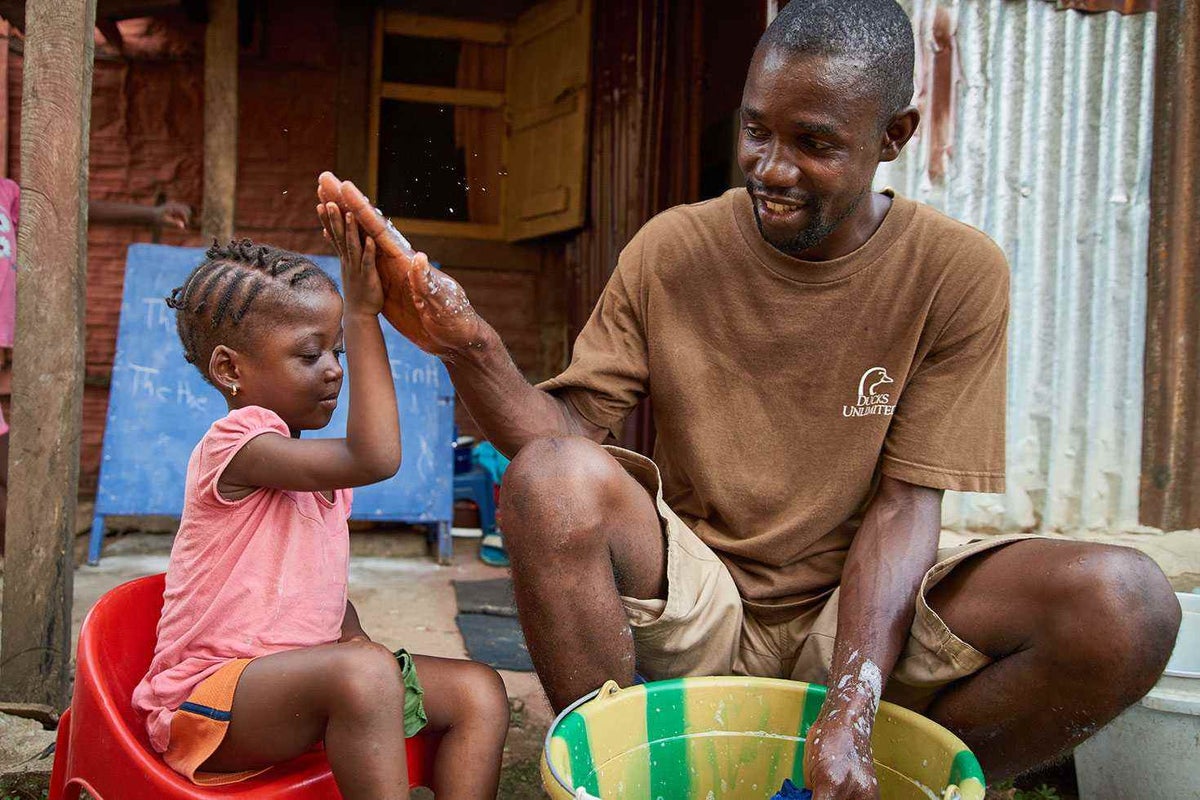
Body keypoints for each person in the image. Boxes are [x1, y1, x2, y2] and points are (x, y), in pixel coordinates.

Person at [317, 0, 1181, 795]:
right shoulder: (674, 249)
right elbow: (563, 445)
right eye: (757, 130)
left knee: (1125, 605)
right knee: (547, 478)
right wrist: (468, 345)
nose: (773, 167)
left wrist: (853, 704)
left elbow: (905, 504)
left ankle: (876, 779)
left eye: (814, 142)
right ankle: (627, 774)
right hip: (704, 597)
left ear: (895, 135)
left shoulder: (953, 272)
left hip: (858, 602)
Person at [131, 208, 509, 800]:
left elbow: (313, 586)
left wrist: (355, 636)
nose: (335, 370)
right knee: (361, 674)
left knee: (477, 692)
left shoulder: (317, 470)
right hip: (210, 705)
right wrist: (362, 314)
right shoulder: (238, 445)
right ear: (230, 368)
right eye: (311, 356)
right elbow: (377, 455)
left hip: (300, 689)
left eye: (338, 351)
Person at [0, 181, 191, 555]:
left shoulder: (6, 191)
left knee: (17, 478)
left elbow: (66, 207)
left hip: (6, 351)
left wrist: (150, 215)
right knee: (15, 476)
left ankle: (15, 567)